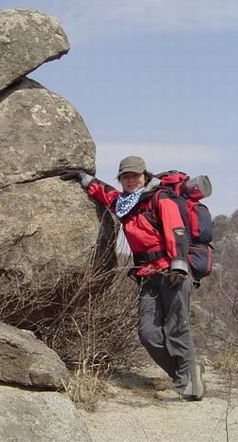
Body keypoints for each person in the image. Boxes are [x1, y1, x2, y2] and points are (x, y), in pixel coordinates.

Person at [60, 155, 205, 401]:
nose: (130, 180)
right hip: (147, 274)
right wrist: (84, 178)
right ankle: (186, 373)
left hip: (172, 271)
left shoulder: (161, 198)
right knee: (148, 334)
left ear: (144, 176)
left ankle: (189, 383)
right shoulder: (126, 204)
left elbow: (177, 231)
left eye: (134, 176)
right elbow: (106, 194)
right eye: (125, 176)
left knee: (176, 327)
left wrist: (179, 265)